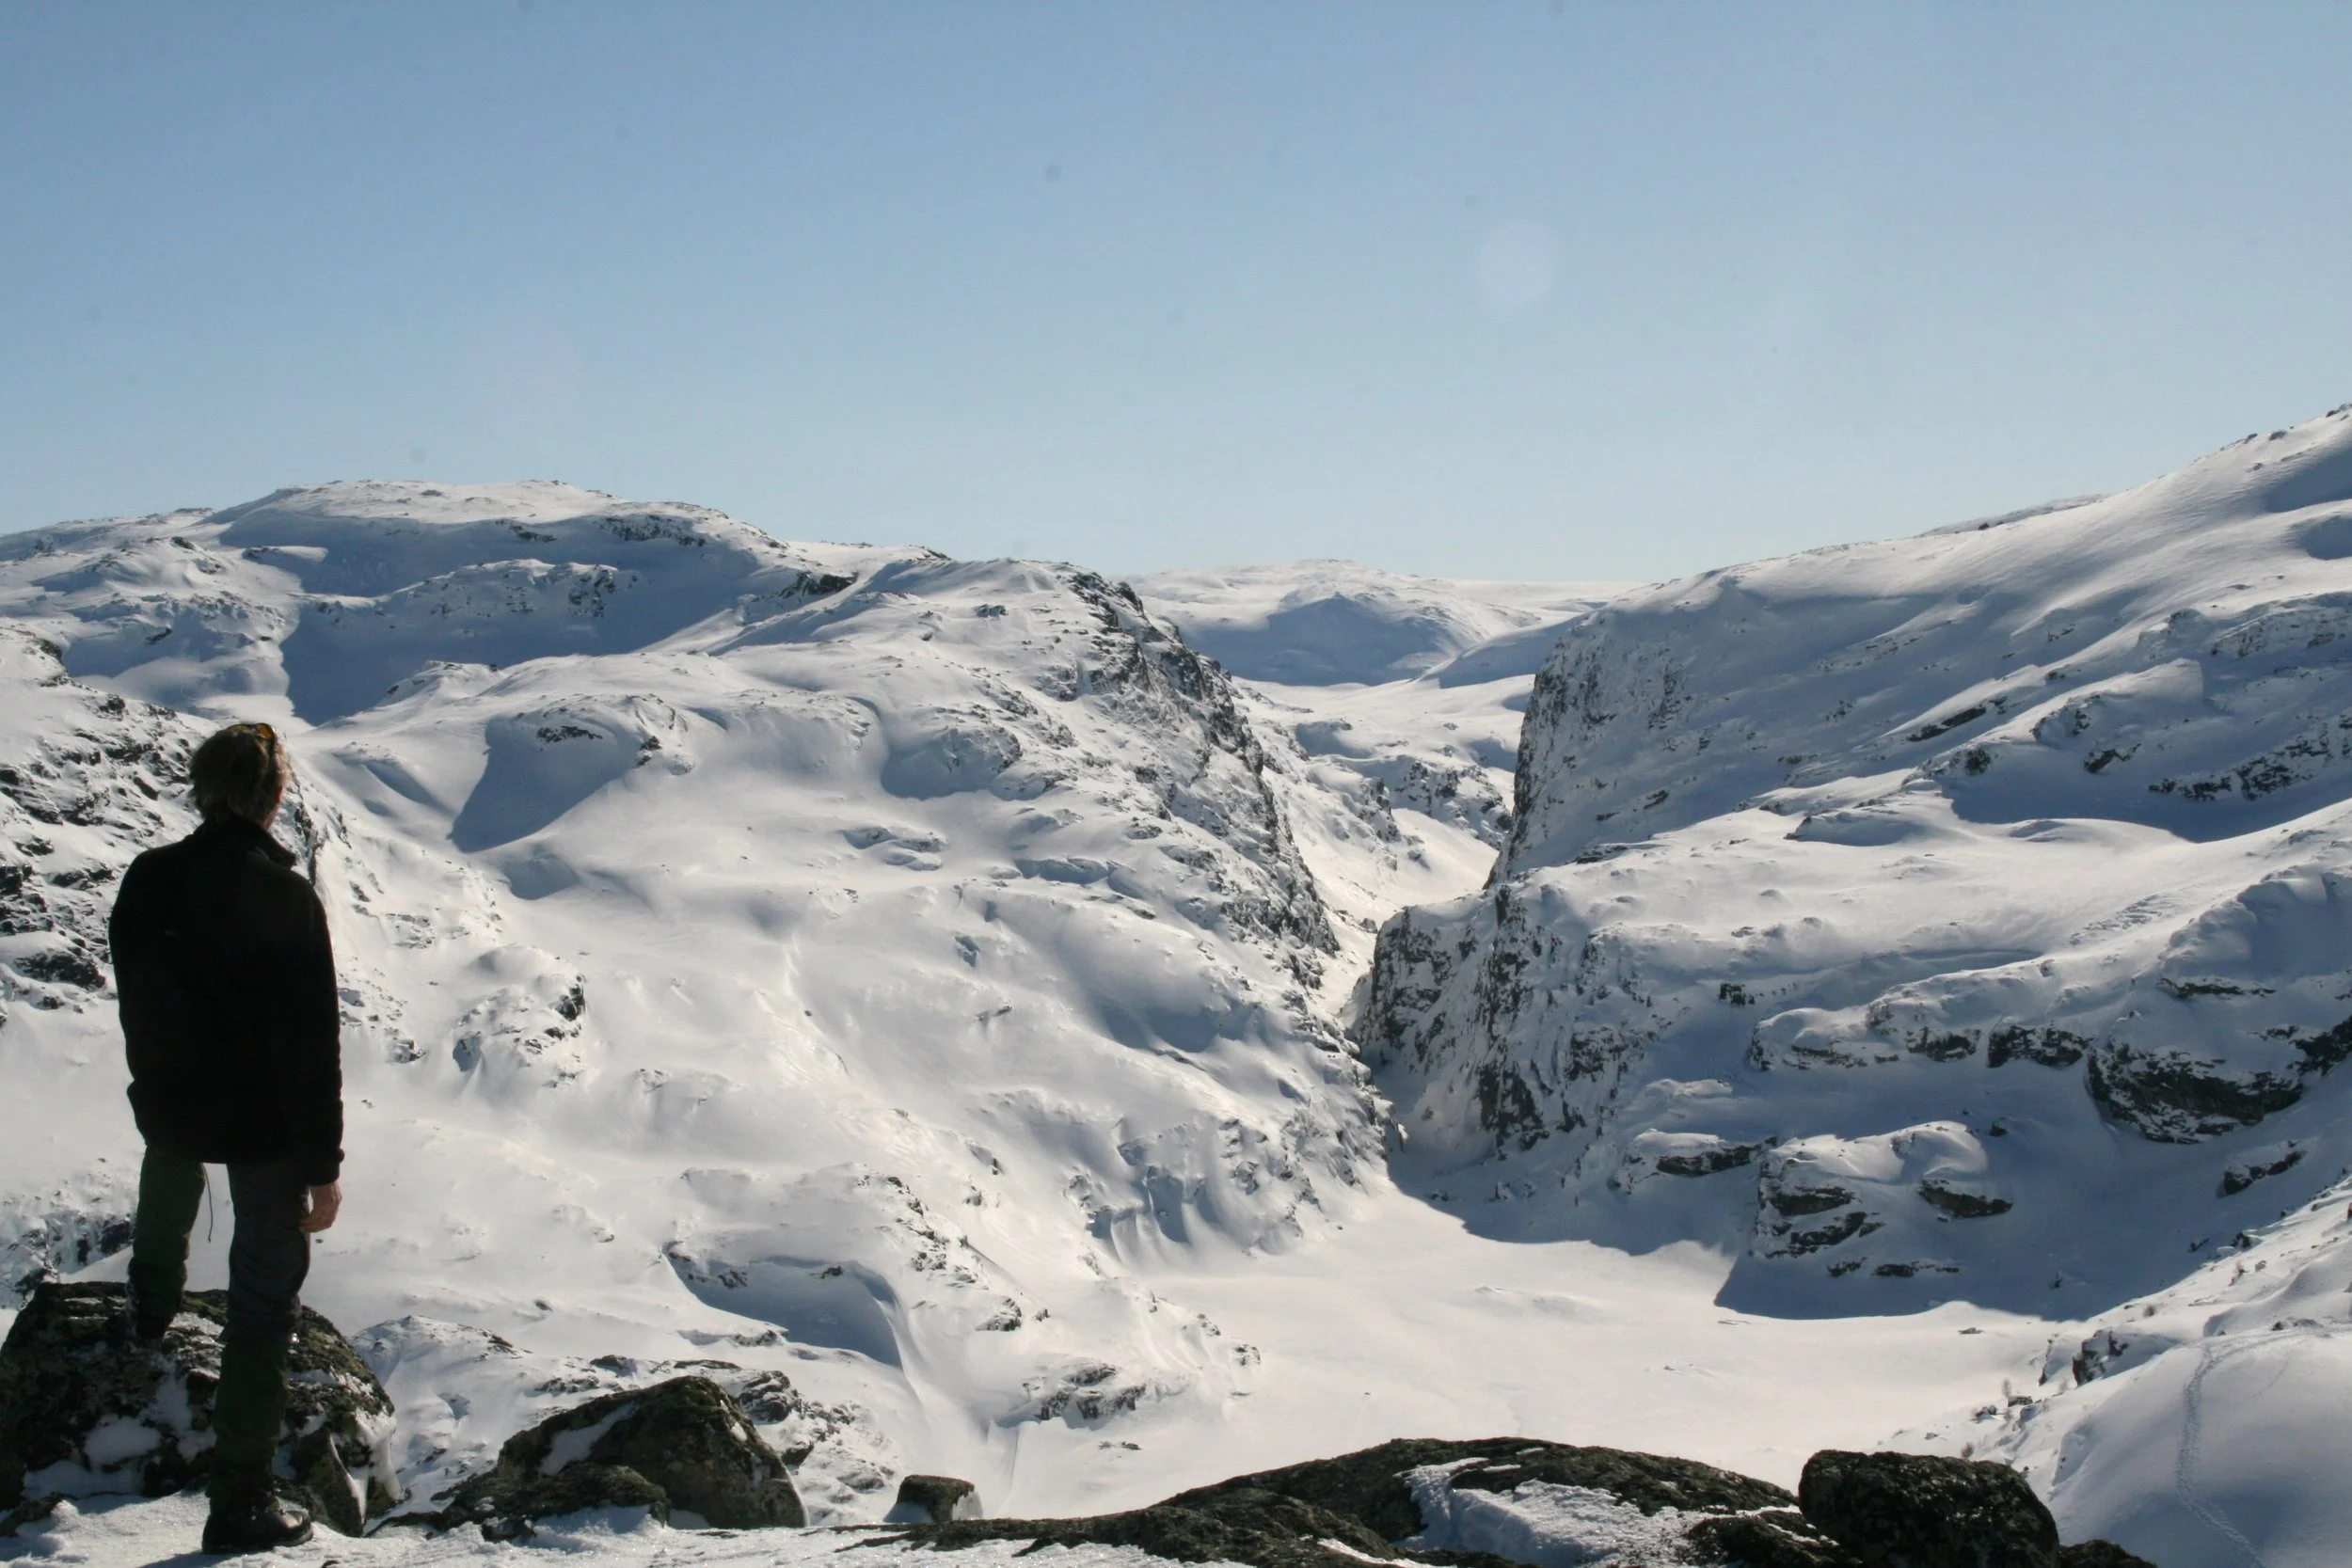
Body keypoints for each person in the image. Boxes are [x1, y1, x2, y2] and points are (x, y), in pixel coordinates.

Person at [108, 721, 344, 1555]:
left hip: (173, 1101)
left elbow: (133, 986)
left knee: (171, 1159)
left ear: (202, 787)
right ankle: (240, 1492)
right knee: (263, 1303)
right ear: (274, 796)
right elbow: (311, 1047)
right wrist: (323, 1166)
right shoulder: (284, 897)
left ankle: (150, 1304)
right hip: (265, 1127)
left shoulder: (150, 877)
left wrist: (155, 1081)